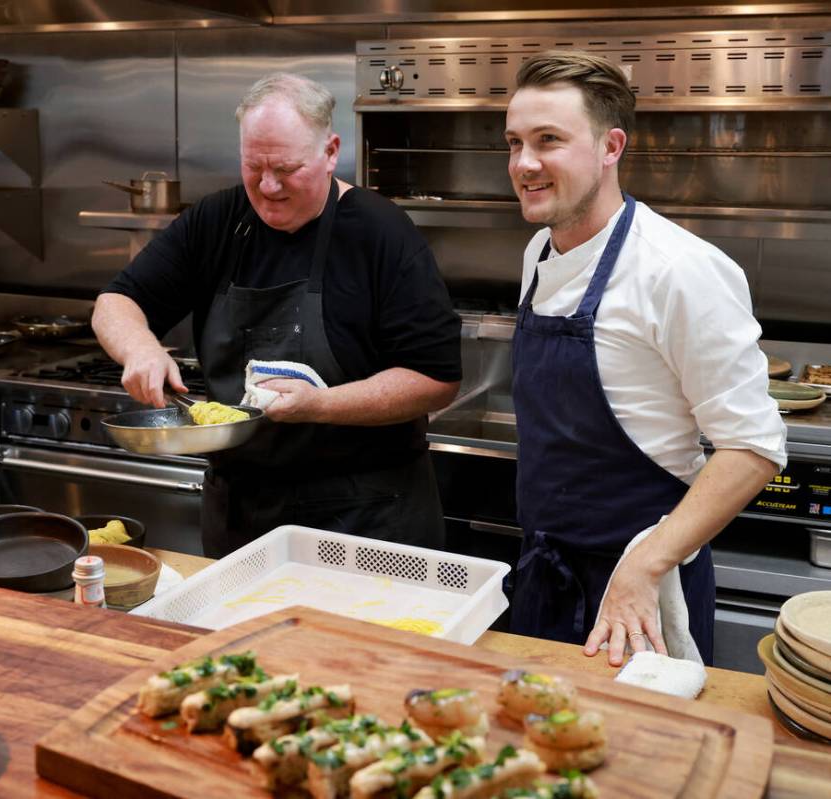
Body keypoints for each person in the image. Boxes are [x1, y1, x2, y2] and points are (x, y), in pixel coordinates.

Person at [93, 73, 461, 557]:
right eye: (253, 167)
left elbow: (435, 378)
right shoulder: (218, 221)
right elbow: (115, 303)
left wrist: (319, 405)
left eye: (287, 169)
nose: (268, 186)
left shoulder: (381, 233)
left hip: (364, 516)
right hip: (244, 513)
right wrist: (140, 348)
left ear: (331, 152)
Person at [503, 51, 786, 666]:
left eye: (548, 140)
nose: (524, 164)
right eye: (515, 142)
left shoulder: (679, 270)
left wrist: (647, 563)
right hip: (545, 571)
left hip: (643, 592)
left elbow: (754, 447)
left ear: (611, 147)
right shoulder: (537, 253)